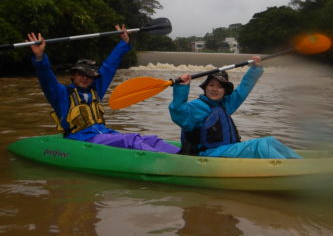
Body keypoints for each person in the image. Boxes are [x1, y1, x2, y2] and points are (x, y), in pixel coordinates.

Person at [27, 25, 179, 154]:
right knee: (130, 140)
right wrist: (40, 57)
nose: (85, 78)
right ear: (73, 76)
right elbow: (46, 78)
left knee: (149, 139)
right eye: (81, 74)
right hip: (82, 139)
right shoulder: (61, 94)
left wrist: (123, 43)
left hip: (104, 134)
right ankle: (169, 161)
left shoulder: (95, 90)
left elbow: (109, 66)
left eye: (89, 75)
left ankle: (183, 154)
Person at [169, 57, 302, 159]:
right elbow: (179, 113)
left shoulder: (225, 104)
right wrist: (182, 87)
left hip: (226, 149)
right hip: (208, 154)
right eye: (211, 85)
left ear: (225, 91)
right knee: (261, 145)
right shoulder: (197, 107)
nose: (215, 89)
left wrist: (255, 68)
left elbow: (243, 89)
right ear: (205, 87)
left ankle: (299, 163)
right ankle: (294, 170)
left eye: (220, 86)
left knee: (270, 141)